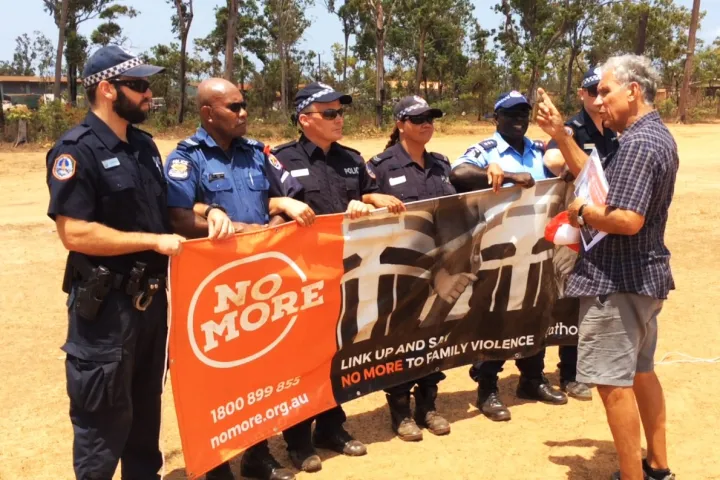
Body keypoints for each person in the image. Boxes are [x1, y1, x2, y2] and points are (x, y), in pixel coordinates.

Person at [536, 54, 677, 480]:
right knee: (640, 372)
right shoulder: (650, 137)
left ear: (633, 91)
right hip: (641, 279)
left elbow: (626, 219)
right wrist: (561, 135)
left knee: (612, 384)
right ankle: (657, 466)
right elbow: (595, 182)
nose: (598, 102)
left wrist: (581, 214)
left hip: (617, 283)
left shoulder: (637, 144)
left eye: (605, 91)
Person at [46, 45, 184, 480]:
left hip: (151, 306)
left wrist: (210, 214)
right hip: (106, 310)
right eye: (139, 85)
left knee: (145, 413)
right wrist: (153, 240)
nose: (149, 94)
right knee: (101, 422)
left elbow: (165, 212)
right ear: (107, 89)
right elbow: (75, 233)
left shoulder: (144, 147)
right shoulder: (75, 150)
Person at [164, 78, 309, 480]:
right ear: (208, 113)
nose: (243, 113)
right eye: (234, 107)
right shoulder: (186, 157)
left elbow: (283, 196)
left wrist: (278, 217)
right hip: (215, 283)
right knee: (218, 374)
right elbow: (177, 216)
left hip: (262, 279)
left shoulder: (257, 152)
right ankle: (216, 463)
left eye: (244, 105)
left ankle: (257, 454)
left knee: (260, 369)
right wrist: (223, 219)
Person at [271, 82, 405, 473]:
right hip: (300, 279)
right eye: (329, 113)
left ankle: (332, 426)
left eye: (341, 112)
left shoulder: (351, 159)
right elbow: (269, 208)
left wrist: (373, 199)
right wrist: (282, 203)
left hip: (346, 274)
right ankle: (297, 438)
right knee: (299, 359)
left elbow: (368, 191)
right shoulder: (279, 160)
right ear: (305, 119)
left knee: (337, 353)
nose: (339, 119)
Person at [450, 90, 568, 423]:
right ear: (496, 118)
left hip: (539, 248)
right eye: (511, 114)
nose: (518, 120)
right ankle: (487, 386)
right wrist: (505, 175)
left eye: (523, 114)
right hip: (499, 251)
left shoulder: (539, 150)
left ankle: (532, 378)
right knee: (496, 314)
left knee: (537, 309)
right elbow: (457, 174)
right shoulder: (486, 150)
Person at [367, 95, 459, 442]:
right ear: (400, 123)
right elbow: (362, 205)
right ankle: (400, 411)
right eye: (418, 118)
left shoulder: (441, 164)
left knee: (434, 334)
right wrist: (371, 199)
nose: (426, 123)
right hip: (401, 270)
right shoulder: (380, 166)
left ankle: (428, 405)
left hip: (440, 266)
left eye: (431, 118)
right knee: (400, 339)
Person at [542, 66, 621, 401]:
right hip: (578, 226)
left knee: (605, 298)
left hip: (611, 225)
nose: (598, 99)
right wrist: (570, 153)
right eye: (592, 92)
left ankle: (594, 364)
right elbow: (551, 157)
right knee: (572, 296)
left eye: (604, 92)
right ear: (582, 95)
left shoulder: (618, 128)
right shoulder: (571, 128)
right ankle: (570, 370)